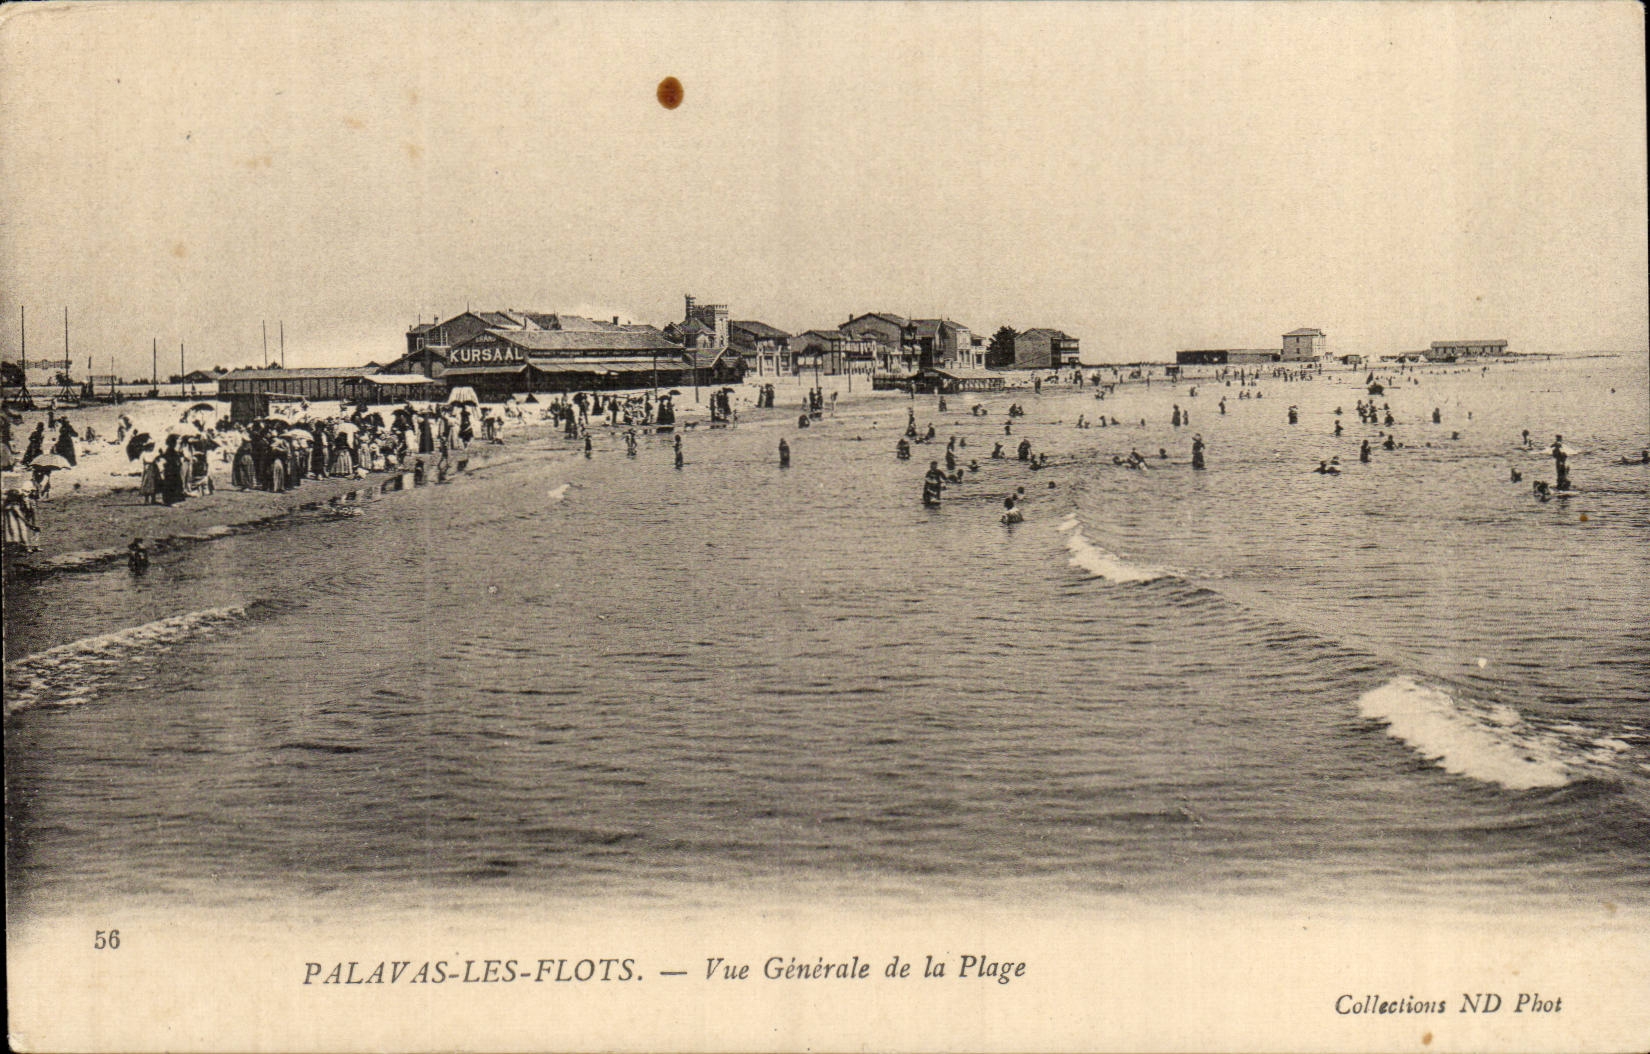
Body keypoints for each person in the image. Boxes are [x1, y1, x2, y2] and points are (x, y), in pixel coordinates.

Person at [3, 487, 40, 551]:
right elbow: (20, 515)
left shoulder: (12, 503)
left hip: (12, 516)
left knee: (17, 530)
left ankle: (24, 545)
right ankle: (24, 546)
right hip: (13, 517)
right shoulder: (14, 505)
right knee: (17, 530)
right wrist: (30, 525)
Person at [160, 435, 188, 505]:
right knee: (171, 485)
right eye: (177, 440)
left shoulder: (172, 450)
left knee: (175, 484)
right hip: (171, 470)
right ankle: (170, 501)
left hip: (174, 470)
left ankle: (173, 500)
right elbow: (170, 459)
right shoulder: (170, 450)